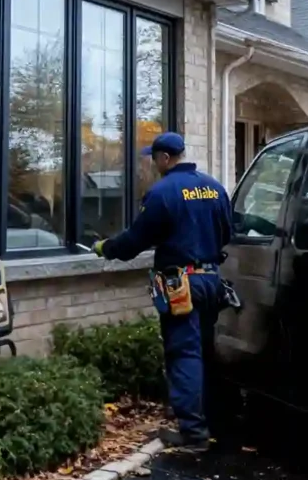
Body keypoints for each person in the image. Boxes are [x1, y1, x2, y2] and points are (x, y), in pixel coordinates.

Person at [91, 132, 232, 452]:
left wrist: (107, 247)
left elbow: (135, 241)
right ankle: (212, 417)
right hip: (211, 281)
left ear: (165, 158)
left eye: (154, 158)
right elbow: (227, 232)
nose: (153, 164)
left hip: (182, 286)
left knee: (184, 353)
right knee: (204, 352)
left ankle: (193, 433)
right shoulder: (214, 187)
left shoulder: (162, 193)